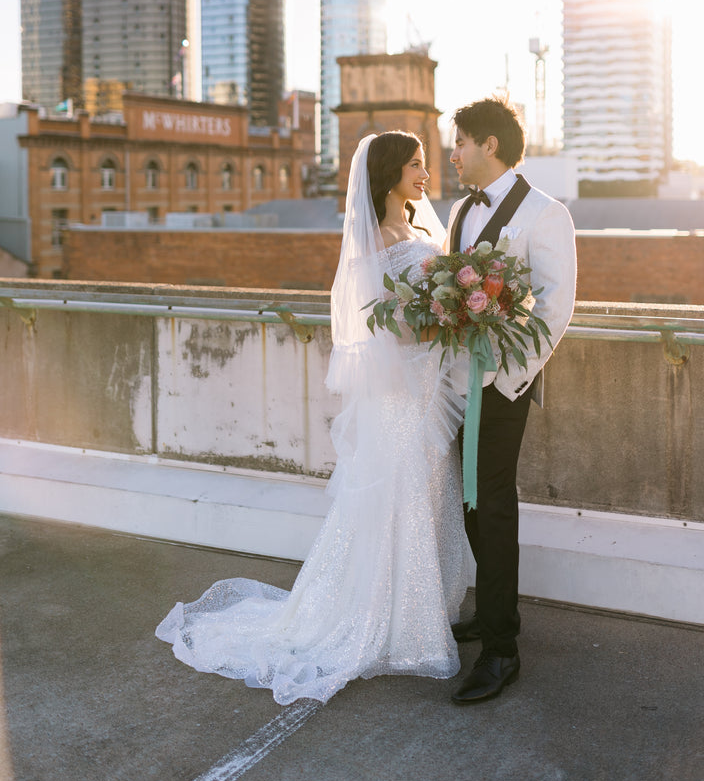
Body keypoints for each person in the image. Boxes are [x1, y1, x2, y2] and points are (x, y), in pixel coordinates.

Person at [155, 131, 471, 705]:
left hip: (431, 383)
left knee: (429, 493)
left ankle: (424, 612)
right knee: (395, 496)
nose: (426, 174)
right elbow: (382, 326)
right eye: (416, 165)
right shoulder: (371, 239)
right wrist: (436, 325)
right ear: (388, 173)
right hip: (401, 387)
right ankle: (387, 624)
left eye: (426, 164)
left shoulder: (423, 229)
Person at [446, 95, 576, 705]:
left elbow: (555, 307)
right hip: (453, 384)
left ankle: (502, 650)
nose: (454, 155)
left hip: (501, 384)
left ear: (488, 145)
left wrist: (507, 378)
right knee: (470, 500)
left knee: (492, 505)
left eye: (460, 143)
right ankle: (492, 615)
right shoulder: (460, 212)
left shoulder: (546, 213)